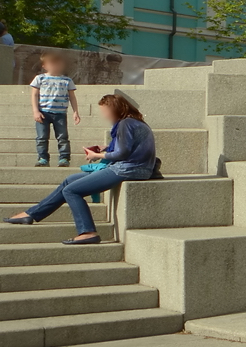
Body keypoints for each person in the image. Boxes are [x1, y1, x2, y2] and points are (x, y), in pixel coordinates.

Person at [4, 94, 157, 244]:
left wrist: (98, 154)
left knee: (71, 190)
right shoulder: (135, 122)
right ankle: (31, 214)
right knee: (69, 181)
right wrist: (104, 149)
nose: (104, 115)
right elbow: (128, 147)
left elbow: (123, 153)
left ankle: (87, 232)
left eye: (105, 111)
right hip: (135, 167)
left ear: (115, 109)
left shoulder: (125, 124)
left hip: (127, 169)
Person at [30, 51, 81, 168]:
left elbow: (72, 97)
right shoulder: (40, 78)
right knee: (42, 137)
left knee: (62, 137)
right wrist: (35, 111)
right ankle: (43, 158)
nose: (55, 66)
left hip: (60, 113)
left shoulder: (67, 80)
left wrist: (75, 112)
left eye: (58, 63)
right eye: (52, 63)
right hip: (43, 112)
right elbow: (34, 95)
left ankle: (64, 158)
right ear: (44, 65)